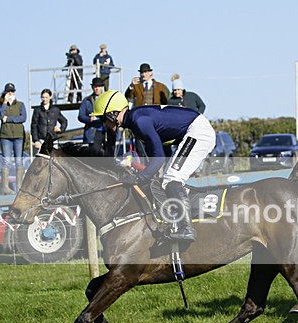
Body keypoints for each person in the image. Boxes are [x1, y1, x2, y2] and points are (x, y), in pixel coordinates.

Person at [91, 90, 216, 244]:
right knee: (166, 181)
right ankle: (180, 221)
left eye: (103, 119)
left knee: (172, 178)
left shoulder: (139, 121)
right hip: (192, 131)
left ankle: (186, 228)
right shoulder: (134, 121)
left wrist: (140, 178)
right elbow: (156, 155)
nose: (104, 124)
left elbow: (159, 157)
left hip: (198, 132)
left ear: (113, 114)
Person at [0, 82, 26, 194]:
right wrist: (4, 103)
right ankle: (5, 188)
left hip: (18, 136)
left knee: (19, 161)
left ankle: (19, 187)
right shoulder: (0, 105)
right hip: (5, 136)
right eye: (8, 91)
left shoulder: (20, 104)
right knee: (6, 161)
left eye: (12, 91)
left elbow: (23, 118)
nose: (10, 93)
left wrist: (8, 119)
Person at [78, 77, 115, 156]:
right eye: (95, 86)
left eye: (98, 86)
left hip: (108, 130)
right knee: (95, 154)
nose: (97, 88)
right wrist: (89, 119)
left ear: (102, 87)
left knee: (109, 156)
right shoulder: (87, 100)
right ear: (92, 87)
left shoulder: (109, 99)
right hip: (94, 131)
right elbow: (80, 116)